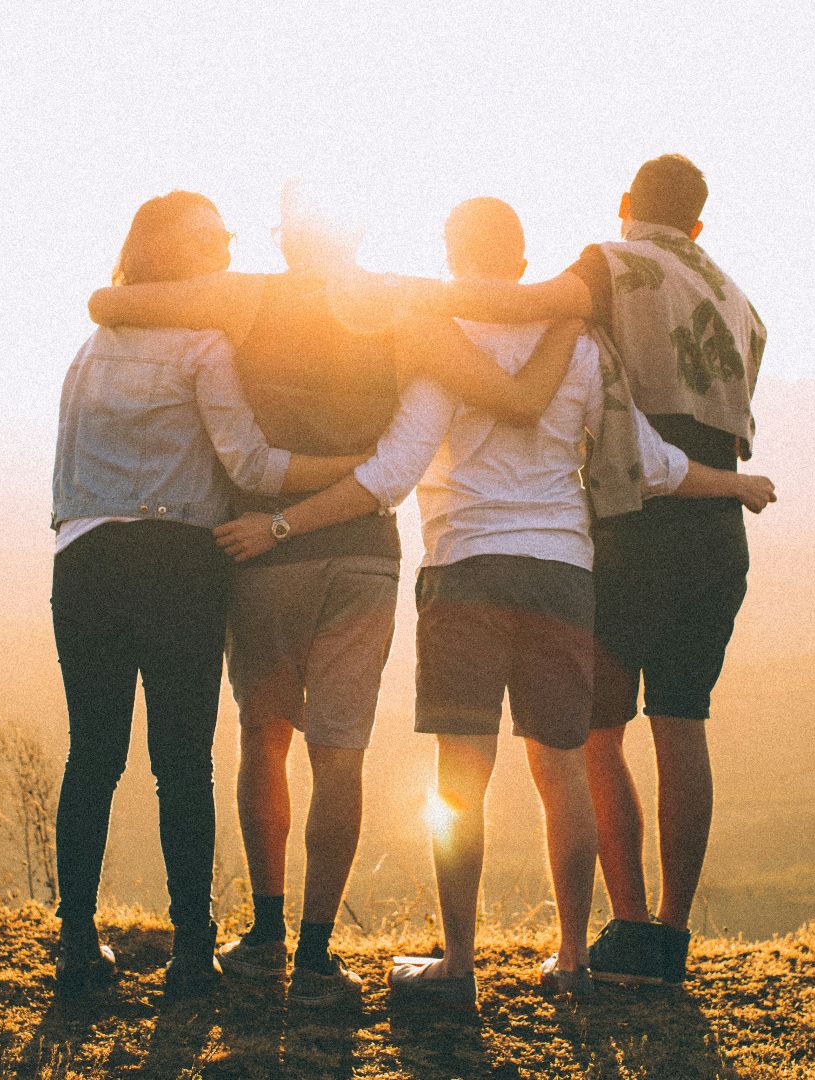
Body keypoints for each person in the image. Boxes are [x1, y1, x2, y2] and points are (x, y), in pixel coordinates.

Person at [213, 197, 774, 1007]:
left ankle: (459, 966)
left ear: (451, 254)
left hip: (465, 570)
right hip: (563, 576)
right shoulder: (581, 347)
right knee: (562, 771)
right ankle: (574, 960)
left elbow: (392, 474)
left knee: (460, 779)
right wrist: (737, 484)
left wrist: (282, 522)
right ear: (521, 262)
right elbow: (651, 463)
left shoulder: (442, 343)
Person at [87, 184, 574, 1008]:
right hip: (363, 556)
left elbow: (112, 302)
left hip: (262, 550)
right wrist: (570, 315)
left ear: (286, 240)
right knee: (339, 753)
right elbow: (507, 390)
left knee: (263, 736)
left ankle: (265, 932)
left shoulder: (245, 299)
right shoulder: (405, 306)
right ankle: (316, 956)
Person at [416, 156, 771, 986]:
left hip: (631, 522)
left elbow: (524, 305)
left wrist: (402, 298)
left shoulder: (610, 265)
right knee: (683, 723)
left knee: (595, 736)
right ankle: (671, 940)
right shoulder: (739, 300)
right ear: (699, 223)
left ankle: (628, 928)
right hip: (714, 525)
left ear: (624, 207)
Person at [49, 191, 370, 1000]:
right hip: (179, 565)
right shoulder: (203, 346)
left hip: (84, 560)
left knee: (93, 756)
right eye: (214, 240)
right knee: (181, 764)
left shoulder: (90, 350)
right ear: (179, 255)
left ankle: (77, 947)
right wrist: (354, 470)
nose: (227, 250)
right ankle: (193, 951)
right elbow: (253, 468)